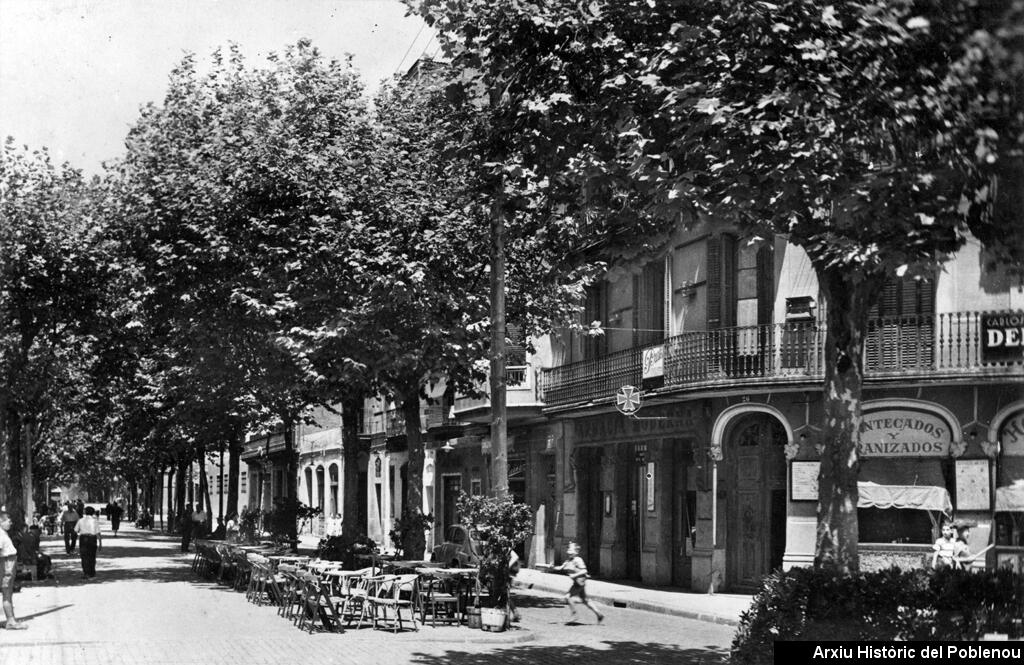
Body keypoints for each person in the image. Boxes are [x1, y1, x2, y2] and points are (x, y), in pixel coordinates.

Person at [555, 542, 604, 624]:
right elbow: (560, 568)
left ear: (576, 552)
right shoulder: (568, 561)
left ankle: (574, 615)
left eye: (571, 549)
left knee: (567, 597)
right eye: (568, 549)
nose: (568, 551)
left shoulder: (578, 560)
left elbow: (584, 570)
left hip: (579, 582)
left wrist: (574, 575)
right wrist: (552, 567)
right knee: (585, 600)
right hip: (578, 582)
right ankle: (599, 614)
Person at [0, 512, 27, 629]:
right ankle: (11, 621)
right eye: (8, 521)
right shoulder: (0, 535)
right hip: (7, 566)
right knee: (7, 593)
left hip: (8, 564)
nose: (10, 523)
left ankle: (10, 619)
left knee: (8, 593)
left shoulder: (3, 533)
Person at [74, 506, 102, 579]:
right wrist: (100, 543)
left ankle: (86, 572)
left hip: (83, 539)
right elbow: (98, 533)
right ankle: (92, 572)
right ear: (93, 513)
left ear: (85, 512)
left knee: (84, 556)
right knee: (92, 556)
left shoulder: (80, 520)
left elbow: (76, 530)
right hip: (92, 539)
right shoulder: (95, 521)